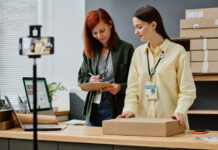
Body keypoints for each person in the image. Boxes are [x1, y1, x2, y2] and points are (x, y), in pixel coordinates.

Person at [117, 5, 196, 129]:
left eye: (139, 27)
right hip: (144, 125)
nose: (135, 32)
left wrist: (180, 111)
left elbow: (188, 90)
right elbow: (132, 91)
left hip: (172, 123)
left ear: (153, 25)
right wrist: (129, 110)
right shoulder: (138, 53)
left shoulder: (178, 52)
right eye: (135, 27)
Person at [78, 8, 134, 126]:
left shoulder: (126, 49)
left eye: (102, 31)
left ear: (110, 24)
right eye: (94, 33)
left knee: (113, 142)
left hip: (116, 107)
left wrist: (120, 87)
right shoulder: (89, 51)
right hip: (93, 107)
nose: (99, 36)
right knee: (91, 143)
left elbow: (135, 83)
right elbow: (81, 78)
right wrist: (90, 80)